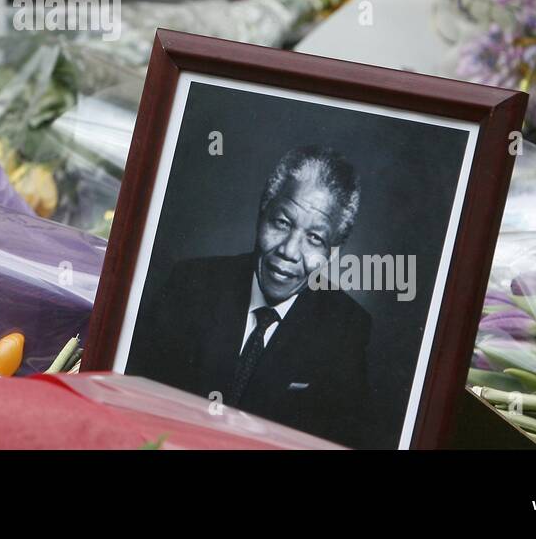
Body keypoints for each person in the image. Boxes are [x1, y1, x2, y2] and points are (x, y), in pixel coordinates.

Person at [125, 145, 372, 446]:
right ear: (262, 213)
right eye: (282, 223)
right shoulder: (191, 284)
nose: (289, 251)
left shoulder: (347, 330)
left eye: (315, 238)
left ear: (333, 252)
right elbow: (131, 402)